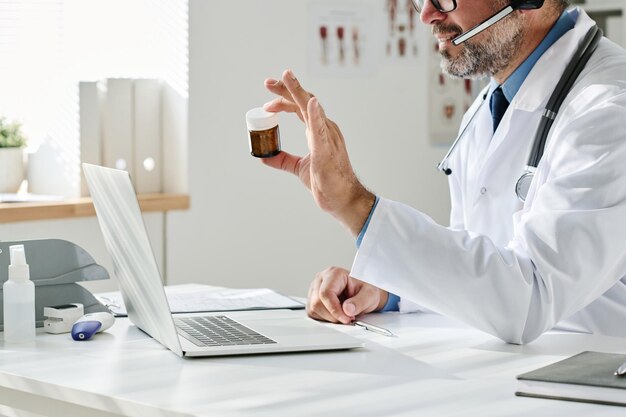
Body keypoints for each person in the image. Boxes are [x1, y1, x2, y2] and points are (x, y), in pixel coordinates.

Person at [260, 0, 626, 344]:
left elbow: (530, 298)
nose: (427, 15)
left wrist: (355, 205)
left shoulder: (608, 109)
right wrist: (390, 291)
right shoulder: (485, 110)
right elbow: (480, 267)